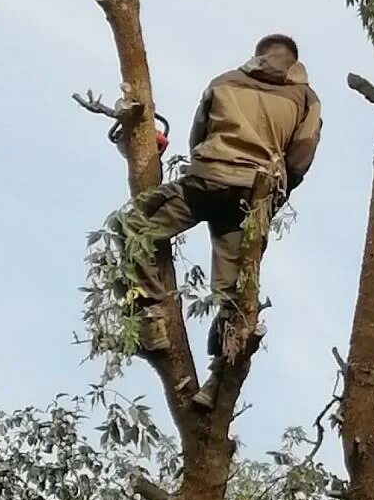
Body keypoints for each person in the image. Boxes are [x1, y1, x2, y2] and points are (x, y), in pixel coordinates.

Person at [120, 33, 321, 401]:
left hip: (208, 181)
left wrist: (211, 167)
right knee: (234, 292)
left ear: (257, 55)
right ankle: (216, 384)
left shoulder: (224, 81)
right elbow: (301, 155)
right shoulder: (305, 98)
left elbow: (198, 138)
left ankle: (150, 317)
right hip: (254, 195)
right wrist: (273, 195)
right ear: (293, 61)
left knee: (133, 226)